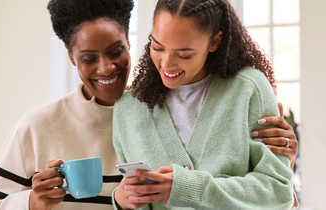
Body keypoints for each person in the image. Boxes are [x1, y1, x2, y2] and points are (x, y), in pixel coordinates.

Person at [0, 1, 297, 210]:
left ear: (129, 43)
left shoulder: (244, 89)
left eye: (115, 52)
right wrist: (33, 200)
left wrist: (285, 157)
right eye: (88, 58)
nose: (105, 68)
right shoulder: (42, 125)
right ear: (71, 58)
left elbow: (281, 195)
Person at [107, 0, 293, 209]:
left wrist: (189, 188)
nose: (166, 64)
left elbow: (279, 194)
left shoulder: (249, 90)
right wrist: (121, 201)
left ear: (215, 41)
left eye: (184, 54)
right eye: (157, 47)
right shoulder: (128, 108)